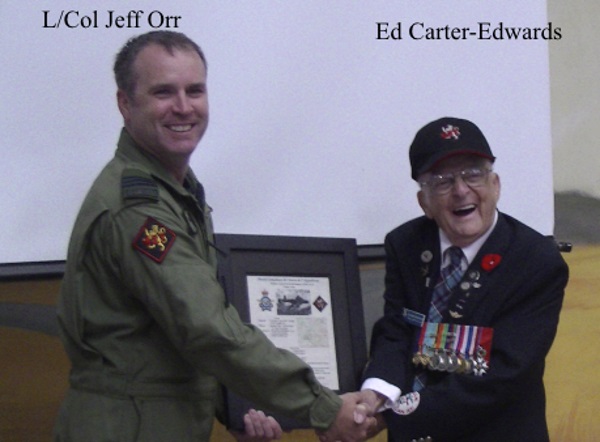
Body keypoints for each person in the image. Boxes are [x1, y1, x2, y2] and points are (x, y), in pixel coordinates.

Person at [53, 30, 374, 442]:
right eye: (163, 92)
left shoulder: (176, 191)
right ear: (125, 103)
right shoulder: (138, 210)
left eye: (195, 90)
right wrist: (323, 407)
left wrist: (239, 409)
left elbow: (175, 339)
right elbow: (205, 328)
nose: (184, 107)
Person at [358, 117, 569, 441]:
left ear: (495, 185)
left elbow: (503, 373)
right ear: (424, 202)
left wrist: (394, 414)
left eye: (473, 174)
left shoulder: (535, 260)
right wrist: (373, 395)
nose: (460, 190)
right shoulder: (405, 245)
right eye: (443, 181)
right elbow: (396, 331)